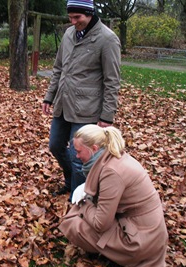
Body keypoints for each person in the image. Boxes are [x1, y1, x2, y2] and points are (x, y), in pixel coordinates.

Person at [58, 125, 168, 267]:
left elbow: (100, 224)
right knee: (78, 211)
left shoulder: (111, 171)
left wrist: (84, 204)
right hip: (145, 228)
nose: (76, 156)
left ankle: (122, 256)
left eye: (78, 151)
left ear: (94, 148)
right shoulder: (113, 156)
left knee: (73, 222)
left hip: (140, 239)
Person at [42, 0, 121, 198]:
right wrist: (49, 97)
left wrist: (107, 116)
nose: (73, 21)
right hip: (63, 104)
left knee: (79, 158)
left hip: (87, 109)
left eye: (77, 17)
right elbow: (58, 68)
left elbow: (112, 81)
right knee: (55, 145)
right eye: (70, 17)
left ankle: (78, 201)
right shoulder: (69, 33)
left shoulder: (107, 39)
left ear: (90, 13)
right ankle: (72, 184)